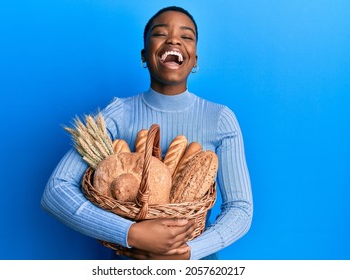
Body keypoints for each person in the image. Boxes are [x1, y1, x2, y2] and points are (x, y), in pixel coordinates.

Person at [41, 6, 253, 260]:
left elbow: (240, 208)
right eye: (160, 33)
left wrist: (188, 252)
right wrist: (131, 233)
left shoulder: (219, 118)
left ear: (195, 59)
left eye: (186, 37)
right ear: (144, 55)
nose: (173, 39)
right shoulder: (118, 114)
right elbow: (55, 191)